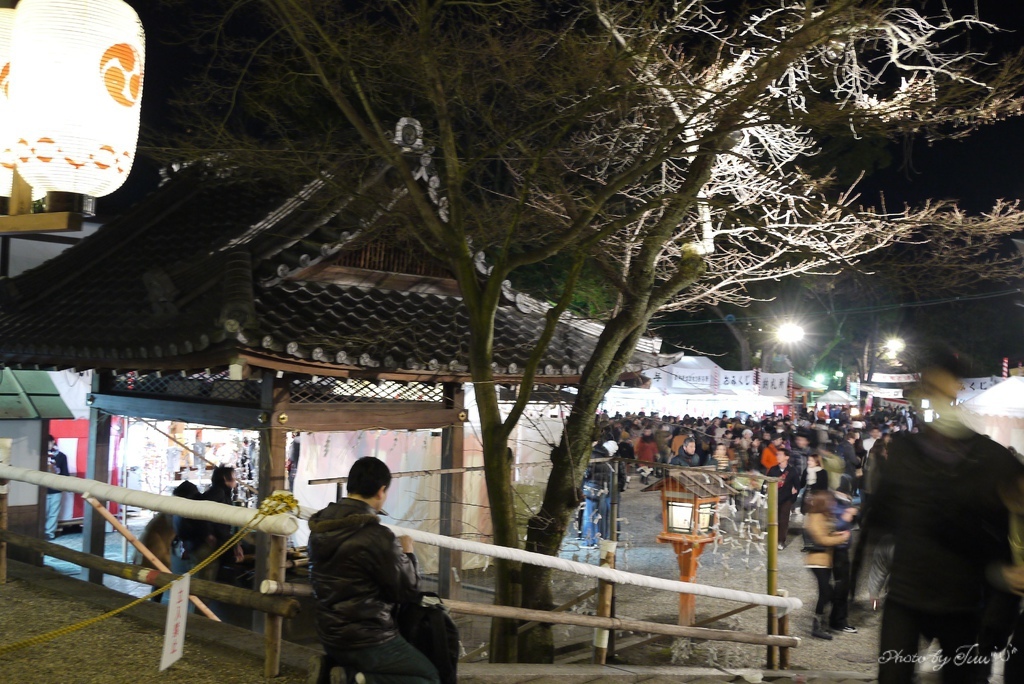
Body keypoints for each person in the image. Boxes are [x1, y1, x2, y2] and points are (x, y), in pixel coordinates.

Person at [868, 351, 1024, 684]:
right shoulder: (905, 451)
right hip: (906, 594)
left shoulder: (990, 459)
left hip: (963, 602)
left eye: (937, 382)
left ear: (956, 387)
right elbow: (880, 515)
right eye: (927, 384)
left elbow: (1011, 524)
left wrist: (1004, 583)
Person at [308, 457, 440, 684]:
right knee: (429, 677)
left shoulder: (320, 527)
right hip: (367, 638)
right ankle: (353, 678)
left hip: (327, 632)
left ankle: (337, 669)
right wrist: (408, 553)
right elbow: (407, 591)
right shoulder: (377, 536)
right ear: (381, 491)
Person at [803, 490, 851, 640]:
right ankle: (816, 626)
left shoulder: (824, 516)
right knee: (825, 593)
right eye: (829, 501)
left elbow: (827, 534)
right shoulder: (815, 517)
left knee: (826, 593)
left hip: (825, 561)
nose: (832, 503)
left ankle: (820, 623)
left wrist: (837, 535)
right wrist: (841, 539)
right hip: (817, 562)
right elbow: (822, 539)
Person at [767, 450, 800, 550]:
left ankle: (781, 541)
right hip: (774, 498)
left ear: (787, 457)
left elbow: (797, 486)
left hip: (786, 499)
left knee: (783, 520)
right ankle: (773, 539)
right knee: (774, 520)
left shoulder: (792, 471)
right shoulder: (773, 469)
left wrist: (792, 498)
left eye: (780, 455)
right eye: (777, 454)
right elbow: (766, 482)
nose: (778, 456)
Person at [44, 435, 69, 540]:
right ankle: (40, 531)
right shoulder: (40, 455)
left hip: (56, 489)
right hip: (42, 488)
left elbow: (65, 473)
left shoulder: (61, 456)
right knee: (43, 512)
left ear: (53, 442)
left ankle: (49, 533)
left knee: (53, 513)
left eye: (49, 443)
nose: (47, 445)